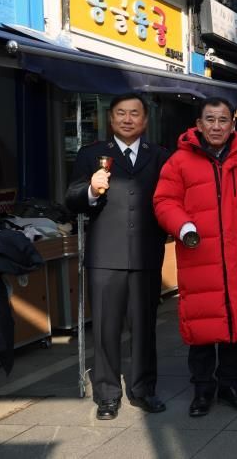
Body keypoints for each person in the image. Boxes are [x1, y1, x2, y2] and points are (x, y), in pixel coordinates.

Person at [154, 97, 237, 417]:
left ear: (232, 125)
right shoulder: (179, 162)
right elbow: (164, 202)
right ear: (199, 124)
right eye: (210, 120)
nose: (217, 126)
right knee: (202, 327)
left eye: (223, 120)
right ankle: (202, 391)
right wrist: (183, 224)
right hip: (199, 256)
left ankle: (231, 386)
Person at [65, 93, 169, 420]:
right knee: (106, 329)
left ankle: (143, 389)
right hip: (104, 257)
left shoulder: (161, 157)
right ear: (110, 120)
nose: (127, 119)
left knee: (144, 329)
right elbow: (70, 198)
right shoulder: (92, 155)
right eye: (121, 113)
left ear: (145, 120)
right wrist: (91, 191)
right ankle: (107, 394)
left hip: (146, 256)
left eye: (134, 113)